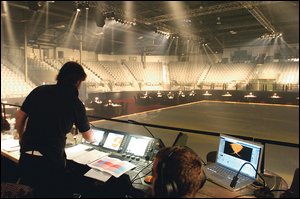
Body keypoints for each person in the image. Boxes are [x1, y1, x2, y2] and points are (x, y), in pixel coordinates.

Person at [15, 61, 96, 197]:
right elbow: (88, 136)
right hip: (50, 161)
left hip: (26, 156)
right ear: (77, 81)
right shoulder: (75, 103)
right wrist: (93, 138)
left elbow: (20, 118)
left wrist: (22, 137)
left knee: (28, 192)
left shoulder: (39, 91)